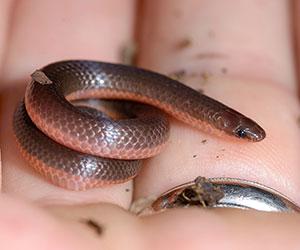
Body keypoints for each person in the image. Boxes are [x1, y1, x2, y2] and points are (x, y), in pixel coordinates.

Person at [1, 0, 300, 249]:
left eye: (241, 132)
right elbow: (44, 85)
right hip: (52, 93)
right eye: (239, 133)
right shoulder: (52, 84)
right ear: (219, 125)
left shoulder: (156, 122)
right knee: (39, 104)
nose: (244, 136)